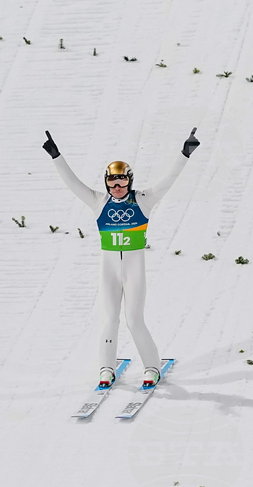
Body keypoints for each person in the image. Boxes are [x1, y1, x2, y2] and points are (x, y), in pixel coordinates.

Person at [42, 128, 200, 388]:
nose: (117, 188)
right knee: (110, 318)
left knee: (134, 319)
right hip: (109, 270)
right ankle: (106, 369)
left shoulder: (144, 201)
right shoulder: (98, 202)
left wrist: (185, 153)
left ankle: (152, 367)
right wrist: (56, 156)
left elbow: (168, 180)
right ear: (106, 183)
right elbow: (73, 184)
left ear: (130, 181)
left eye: (122, 183)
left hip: (134, 269)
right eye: (112, 183)